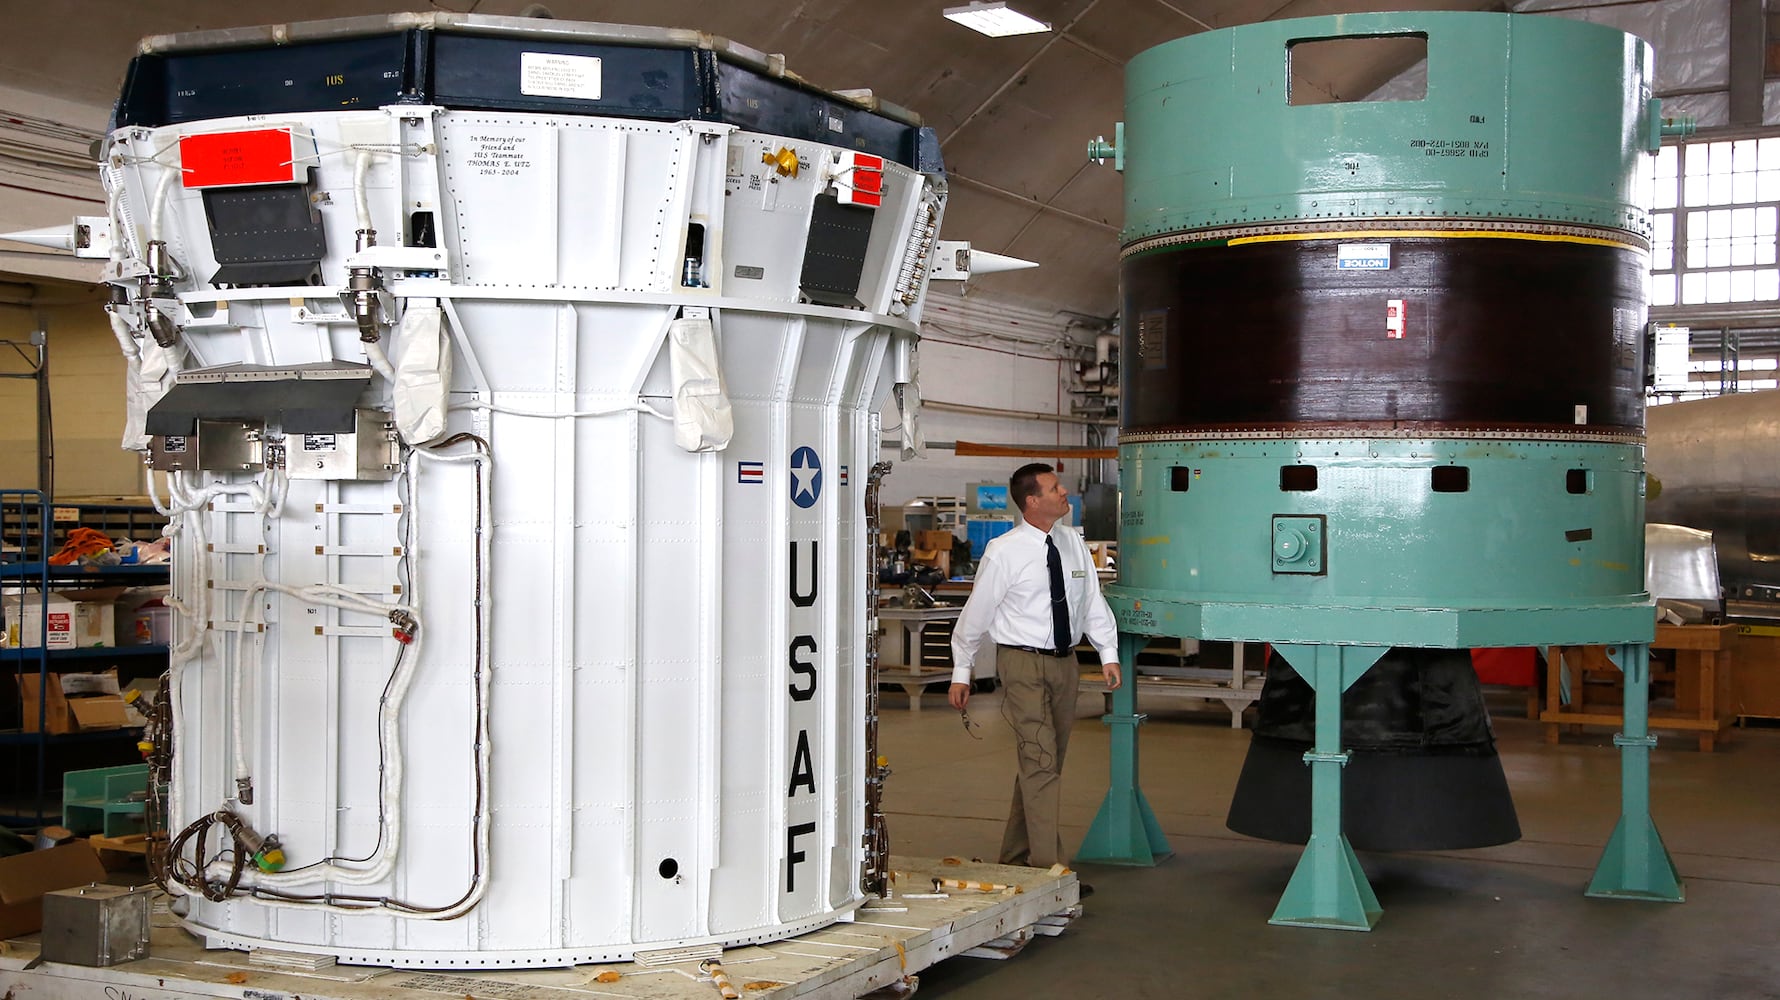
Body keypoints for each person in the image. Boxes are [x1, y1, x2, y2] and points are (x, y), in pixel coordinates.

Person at [950, 463, 1121, 871]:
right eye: (1055, 488)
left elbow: (1090, 600)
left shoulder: (1073, 543)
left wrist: (1107, 652)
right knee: (1041, 760)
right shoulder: (1004, 551)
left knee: (1043, 761)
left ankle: (1013, 858)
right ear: (1032, 501)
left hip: (1066, 666)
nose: (1065, 493)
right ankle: (1050, 869)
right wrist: (962, 671)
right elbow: (976, 614)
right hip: (1022, 664)